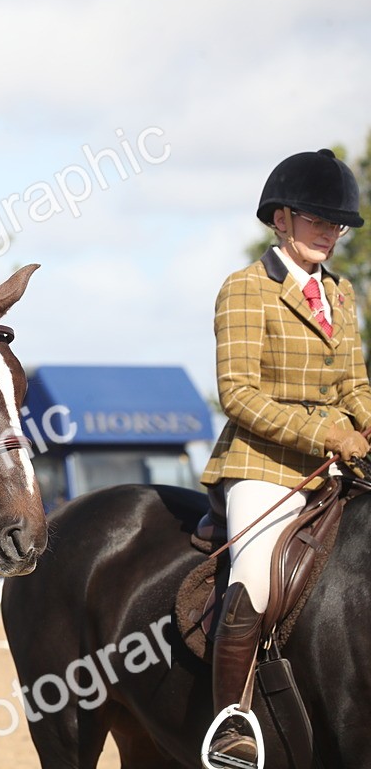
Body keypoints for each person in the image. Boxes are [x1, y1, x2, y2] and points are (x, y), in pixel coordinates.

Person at [200, 147, 369, 762]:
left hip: (339, 461)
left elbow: (354, 384)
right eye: (319, 220)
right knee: (255, 577)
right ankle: (233, 725)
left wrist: (366, 428)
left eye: (338, 224)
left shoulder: (342, 294)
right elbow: (238, 394)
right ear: (282, 219)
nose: (331, 233)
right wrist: (328, 436)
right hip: (262, 464)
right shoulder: (247, 289)